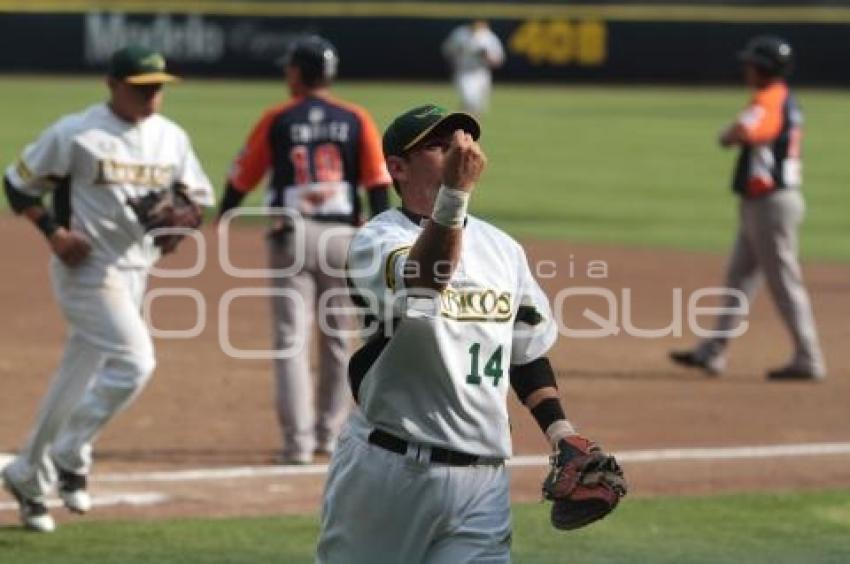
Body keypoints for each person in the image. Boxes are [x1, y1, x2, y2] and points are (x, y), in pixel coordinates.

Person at [316, 104, 620, 562]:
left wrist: (560, 431)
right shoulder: (377, 240)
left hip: (483, 482)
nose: (459, 149)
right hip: (388, 474)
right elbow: (427, 277)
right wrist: (454, 195)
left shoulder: (503, 249)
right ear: (397, 168)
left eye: (462, 140)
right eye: (438, 145)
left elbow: (525, 350)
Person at [1, 45, 214, 532]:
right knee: (136, 362)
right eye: (141, 88)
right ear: (113, 85)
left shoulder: (171, 138)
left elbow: (198, 196)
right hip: (88, 270)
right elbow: (18, 186)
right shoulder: (77, 133)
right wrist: (54, 233)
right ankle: (70, 450)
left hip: (137, 270)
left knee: (72, 380)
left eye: (158, 88)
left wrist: (182, 215)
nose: (152, 96)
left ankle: (27, 475)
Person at [217, 35, 391, 465]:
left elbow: (242, 177)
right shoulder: (355, 118)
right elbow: (378, 182)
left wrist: (225, 213)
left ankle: (296, 444)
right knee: (337, 340)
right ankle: (328, 437)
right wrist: (380, 228)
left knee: (290, 341)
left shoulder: (278, 118)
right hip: (342, 239)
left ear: (297, 72)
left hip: (291, 234)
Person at [670, 36, 826, 381]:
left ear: (765, 68)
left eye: (752, 63)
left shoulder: (769, 99)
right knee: (738, 280)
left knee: (784, 282)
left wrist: (727, 135)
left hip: (772, 205)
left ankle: (809, 358)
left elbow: (746, 130)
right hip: (763, 205)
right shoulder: (781, 98)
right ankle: (712, 352)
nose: (746, 68)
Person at [442, 20, 505, 114]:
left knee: (479, 108)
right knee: (470, 101)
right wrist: (456, 57)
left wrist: (487, 56)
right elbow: (447, 50)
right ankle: (458, 123)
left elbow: (499, 60)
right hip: (464, 73)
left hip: (482, 73)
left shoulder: (489, 37)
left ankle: (465, 124)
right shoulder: (460, 34)